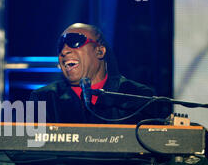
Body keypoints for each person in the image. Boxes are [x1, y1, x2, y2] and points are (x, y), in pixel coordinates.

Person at [29, 23, 164, 124]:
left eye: (74, 42)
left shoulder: (138, 96)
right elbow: (30, 154)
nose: (64, 51)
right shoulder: (44, 99)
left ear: (100, 51)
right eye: (60, 46)